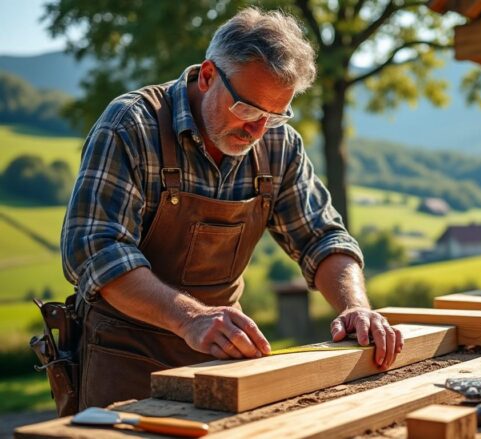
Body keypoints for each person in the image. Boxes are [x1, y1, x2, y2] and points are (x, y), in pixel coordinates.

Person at [61, 6, 402, 409]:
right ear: (207, 76)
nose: (257, 130)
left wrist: (355, 308)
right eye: (248, 109)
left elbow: (321, 237)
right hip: (127, 359)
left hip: (224, 357)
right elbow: (95, 252)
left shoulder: (278, 144)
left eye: (275, 115)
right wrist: (191, 319)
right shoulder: (131, 125)